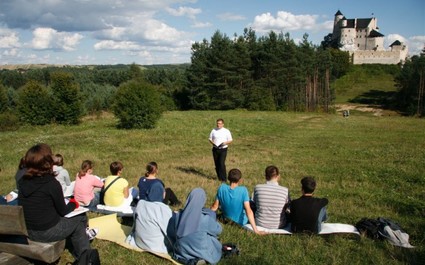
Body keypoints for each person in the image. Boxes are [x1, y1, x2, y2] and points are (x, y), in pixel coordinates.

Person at [17, 143, 91, 263]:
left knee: (74, 222)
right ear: (48, 162)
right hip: (46, 232)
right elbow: (63, 211)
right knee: (80, 218)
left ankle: (78, 244)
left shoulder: (23, 181)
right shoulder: (51, 183)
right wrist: (74, 203)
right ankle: (86, 257)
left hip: (28, 230)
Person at [168, 188, 222, 265]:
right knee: (214, 241)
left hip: (181, 251)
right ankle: (201, 257)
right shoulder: (204, 219)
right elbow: (218, 230)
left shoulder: (178, 215)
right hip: (200, 250)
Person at [211, 168, 264, 235]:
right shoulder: (243, 190)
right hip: (241, 222)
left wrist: (207, 218)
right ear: (240, 180)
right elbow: (249, 211)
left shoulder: (221, 188)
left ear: (228, 178)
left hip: (226, 219)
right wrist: (256, 231)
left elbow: (215, 206)